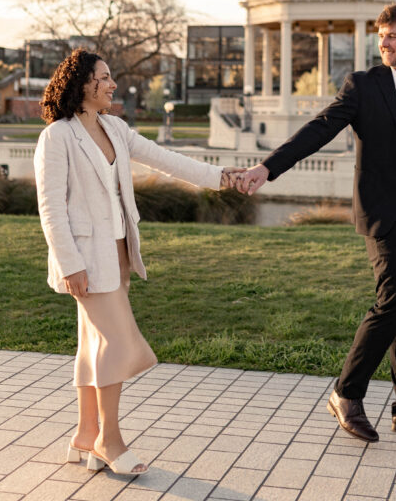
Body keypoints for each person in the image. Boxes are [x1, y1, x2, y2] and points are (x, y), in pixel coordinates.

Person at [237, 2, 396, 442]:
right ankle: (346, 393)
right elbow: (319, 129)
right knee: (394, 305)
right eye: (380, 36)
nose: (383, 43)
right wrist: (268, 168)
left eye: (392, 35)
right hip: (388, 216)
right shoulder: (365, 86)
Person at [34, 48, 243, 475]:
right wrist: (69, 262)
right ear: (83, 84)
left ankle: (84, 433)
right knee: (116, 343)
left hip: (119, 250)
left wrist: (220, 178)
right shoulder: (57, 136)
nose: (113, 84)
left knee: (93, 344)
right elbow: (50, 207)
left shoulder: (115, 127)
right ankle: (109, 440)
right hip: (85, 259)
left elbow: (167, 161)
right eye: (105, 77)